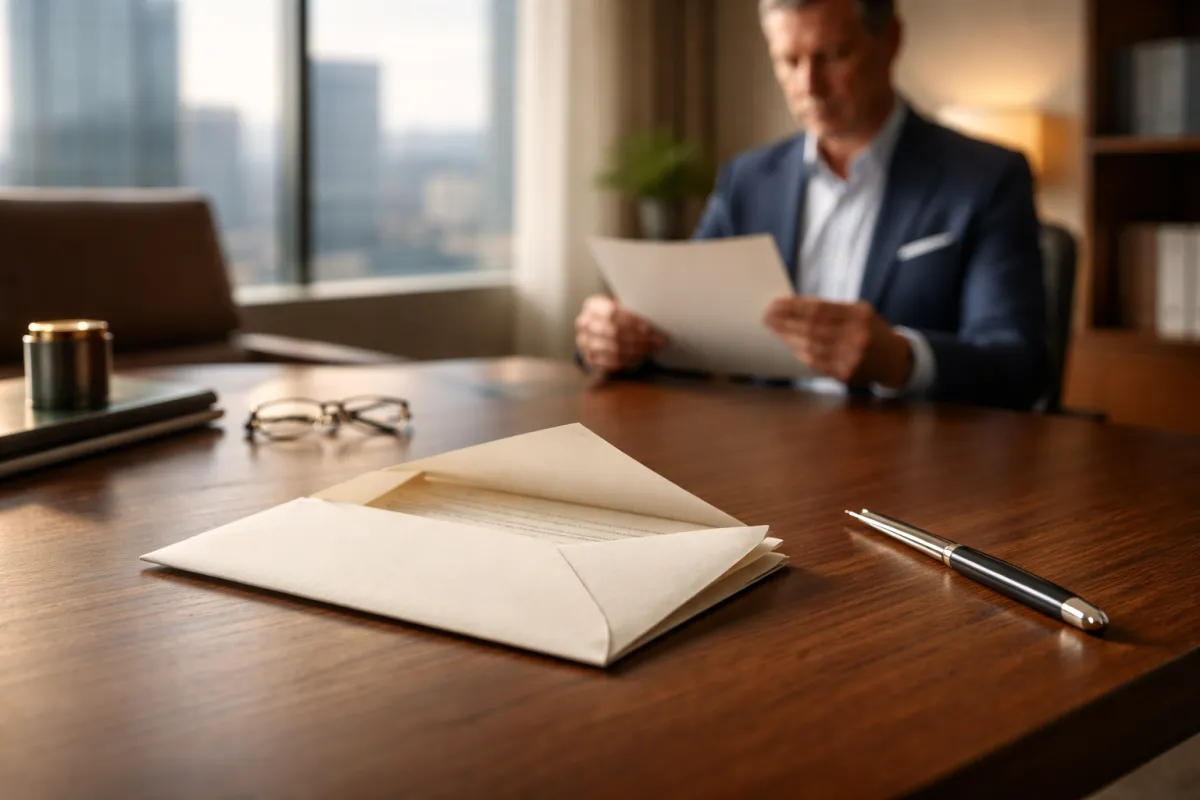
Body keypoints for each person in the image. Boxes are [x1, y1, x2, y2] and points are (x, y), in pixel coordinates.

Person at [574, 0, 1048, 410]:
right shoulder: (748, 180)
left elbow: (1019, 367)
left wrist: (900, 359)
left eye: (833, 55)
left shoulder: (986, 178)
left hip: (923, 468)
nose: (810, 85)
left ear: (891, 40)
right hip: (767, 461)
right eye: (789, 60)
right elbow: (682, 328)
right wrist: (616, 337)